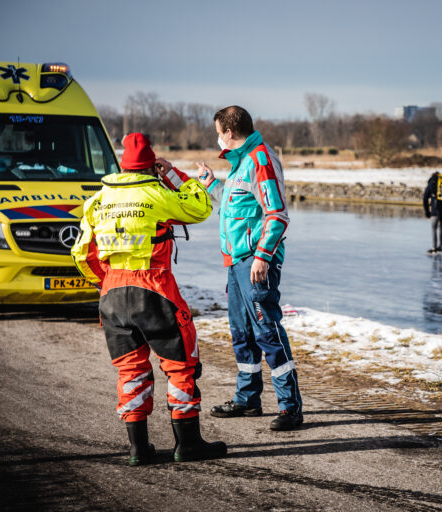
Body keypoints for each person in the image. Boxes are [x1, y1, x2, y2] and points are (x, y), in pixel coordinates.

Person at [72, 132, 226, 465]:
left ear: (123, 167)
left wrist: (108, 282)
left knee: (130, 371)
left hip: (111, 295)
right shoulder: (155, 192)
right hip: (154, 289)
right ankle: (188, 444)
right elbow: (200, 208)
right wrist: (177, 176)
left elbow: (81, 252)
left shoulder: (97, 201)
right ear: (150, 167)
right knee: (180, 366)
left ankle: (138, 450)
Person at [196, 105, 303, 430]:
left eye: (218, 131)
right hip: (235, 262)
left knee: (267, 331)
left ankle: (290, 408)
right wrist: (209, 183)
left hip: (255, 263)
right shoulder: (241, 162)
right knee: (241, 333)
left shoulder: (260, 159)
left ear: (229, 132)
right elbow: (235, 205)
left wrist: (262, 257)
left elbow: (278, 214)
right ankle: (247, 400)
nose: (217, 138)